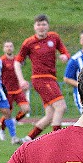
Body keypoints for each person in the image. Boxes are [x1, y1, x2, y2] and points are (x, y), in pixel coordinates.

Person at [14, 14, 70, 142]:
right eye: (38, 25)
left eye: (44, 24)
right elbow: (17, 62)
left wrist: (65, 57)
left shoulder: (54, 37)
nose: (41, 27)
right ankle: (58, 141)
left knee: (50, 115)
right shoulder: (29, 43)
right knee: (61, 107)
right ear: (34, 27)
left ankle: (27, 139)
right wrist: (21, 80)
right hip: (40, 79)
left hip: (51, 79)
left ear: (48, 26)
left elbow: (64, 52)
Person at [0, 41, 31, 142]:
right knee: (7, 113)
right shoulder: (1, 60)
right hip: (7, 91)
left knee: (26, 109)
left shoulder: (17, 59)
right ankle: (2, 130)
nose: (9, 48)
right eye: (6, 46)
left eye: (11, 46)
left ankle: (14, 121)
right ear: (4, 49)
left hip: (18, 90)